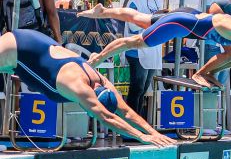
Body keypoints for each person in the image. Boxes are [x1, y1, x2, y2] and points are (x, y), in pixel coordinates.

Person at [0, 29, 174, 147]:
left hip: (35, 43)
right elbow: (107, 117)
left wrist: (153, 132)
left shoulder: (102, 81)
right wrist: (142, 137)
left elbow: (126, 112)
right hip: (16, 47)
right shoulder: (79, 87)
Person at [77, 5, 231, 88]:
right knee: (136, 41)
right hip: (180, 24)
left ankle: (103, 11)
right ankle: (98, 56)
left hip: (190, 18)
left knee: (141, 18)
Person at [123, 0, 163, 117]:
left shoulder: (156, 1)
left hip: (152, 50)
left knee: (144, 89)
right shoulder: (136, 0)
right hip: (137, 51)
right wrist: (154, 18)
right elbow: (133, 25)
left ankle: (139, 121)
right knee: (137, 88)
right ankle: (131, 123)